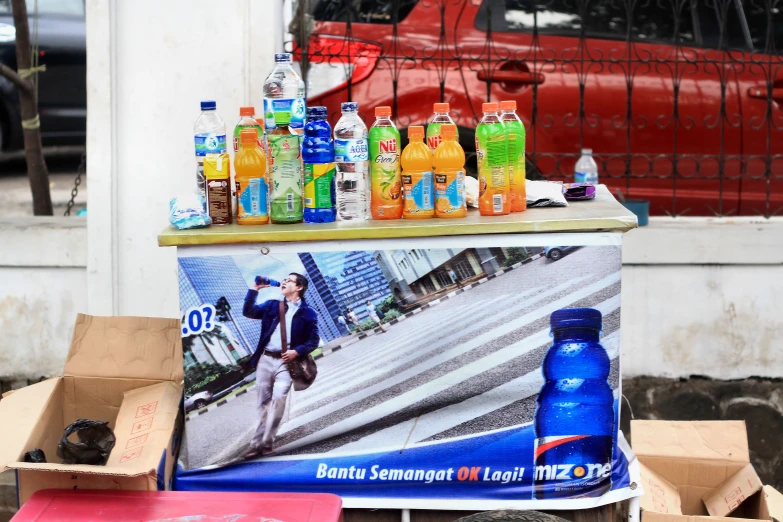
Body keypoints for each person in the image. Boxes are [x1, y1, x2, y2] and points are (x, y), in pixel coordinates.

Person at [241, 273, 320, 458]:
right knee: (263, 403)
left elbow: (313, 341)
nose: (284, 281)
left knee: (278, 398)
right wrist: (254, 290)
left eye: (289, 280)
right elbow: (248, 312)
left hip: (288, 362)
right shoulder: (272, 305)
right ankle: (255, 445)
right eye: (284, 279)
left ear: (299, 287)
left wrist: (297, 351)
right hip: (265, 359)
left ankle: (267, 443)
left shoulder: (308, 313)